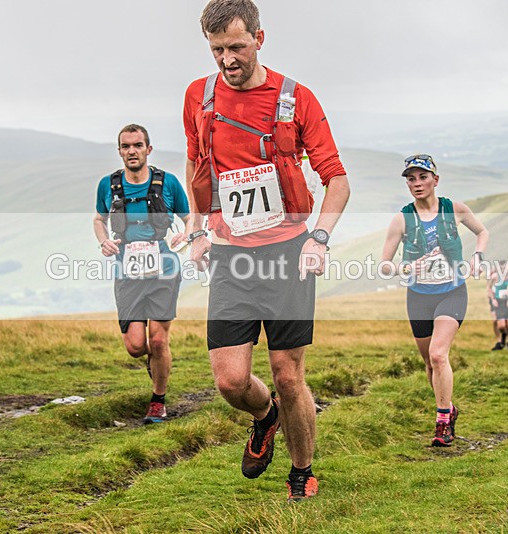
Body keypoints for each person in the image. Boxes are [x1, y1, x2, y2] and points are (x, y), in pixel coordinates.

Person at [183, 0, 350, 501]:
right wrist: (196, 230)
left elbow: (337, 180)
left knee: (288, 375)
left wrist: (319, 239)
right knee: (230, 381)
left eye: (236, 47)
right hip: (230, 257)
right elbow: (197, 166)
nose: (227, 60)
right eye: (217, 50)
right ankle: (265, 415)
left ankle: (302, 473)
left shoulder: (295, 99)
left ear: (259, 38)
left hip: (288, 255)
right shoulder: (198, 97)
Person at [381, 154, 489, 447]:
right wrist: (407, 267)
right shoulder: (402, 219)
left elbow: (482, 231)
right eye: (411, 179)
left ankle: (442, 422)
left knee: (439, 355)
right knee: (430, 364)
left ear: (435, 180)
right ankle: (449, 407)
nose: (417, 183)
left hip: (452, 291)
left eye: (423, 177)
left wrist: (478, 256)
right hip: (418, 296)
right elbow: (385, 265)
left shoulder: (454, 209)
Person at [94, 124, 189, 424]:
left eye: (137, 145)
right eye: (126, 146)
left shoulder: (168, 183)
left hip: (164, 269)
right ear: (119, 151)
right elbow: (99, 219)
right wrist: (104, 241)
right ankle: (156, 362)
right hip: (127, 272)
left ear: (148, 149)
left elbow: (190, 218)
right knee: (136, 346)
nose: (132, 151)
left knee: (158, 341)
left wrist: (185, 235)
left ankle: (158, 401)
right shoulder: (108, 186)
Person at [487, 264, 508, 351]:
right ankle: (501, 340)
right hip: (499, 302)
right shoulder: (494, 276)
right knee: (500, 324)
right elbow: (488, 287)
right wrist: (493, 299)